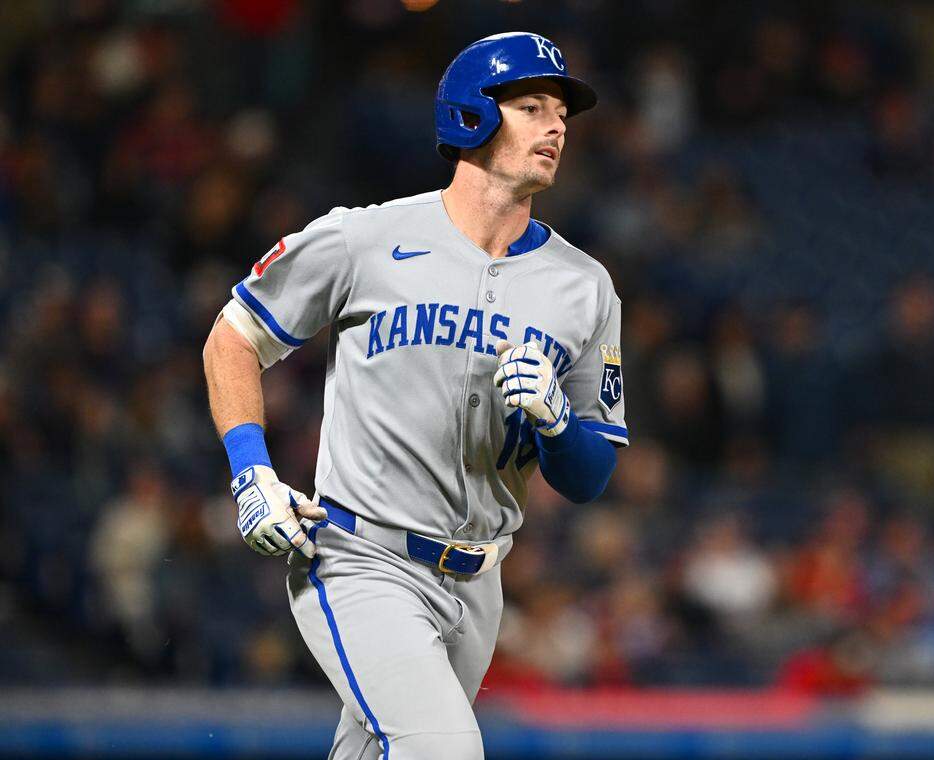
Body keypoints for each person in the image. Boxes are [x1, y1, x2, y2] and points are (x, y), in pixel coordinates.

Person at [201, 32, 627, 760]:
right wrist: (252, 473)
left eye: (562, 112)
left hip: (479, 583)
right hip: (360, 557)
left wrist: (557, 422)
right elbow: (233, 337)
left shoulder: (583, 285)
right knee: (444, 752)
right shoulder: (364, 239)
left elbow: (590, 477)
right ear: (470, 115)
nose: (557, 125)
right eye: (531, 106)